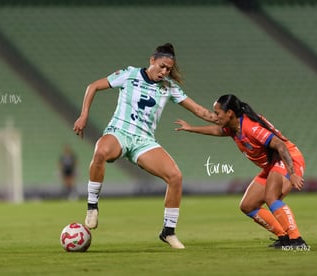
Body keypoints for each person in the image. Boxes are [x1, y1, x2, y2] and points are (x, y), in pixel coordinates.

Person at [73, 43, 217, 249]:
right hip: (120, 132)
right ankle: (92, 206)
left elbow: (200, 111)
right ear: (152, 60)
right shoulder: (129, 74)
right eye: (162, 66)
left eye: (168, 69)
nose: (164, 71)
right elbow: (93, 86)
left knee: (175, 177)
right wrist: (84, 114)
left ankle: (168, 232)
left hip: (144, 141)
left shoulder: (168, 87)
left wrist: (224, 120)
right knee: (101, 151)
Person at [174, 94, 309, 249]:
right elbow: (217, 131)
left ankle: (297, 240)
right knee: (248, 205)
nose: (215, 116)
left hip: (288, 159)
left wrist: (292, 173)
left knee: (271, 197)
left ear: (230, 113)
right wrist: (191, 129)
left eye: (217, 113)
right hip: (272, 165)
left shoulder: (250, 127)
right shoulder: (233, 126)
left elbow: (280, 145)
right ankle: (284, 237)